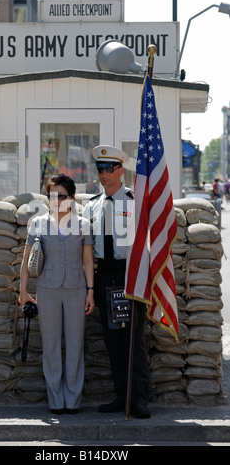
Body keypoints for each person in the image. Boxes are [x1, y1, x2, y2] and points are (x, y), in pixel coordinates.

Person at [83, 145, 150, 419]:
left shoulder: (134, 202)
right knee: (112, 341)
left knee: (134, 339)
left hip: (129, 274)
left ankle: (138, 399)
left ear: (121, 170)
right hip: (104, 275)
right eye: (100, 169)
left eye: (109, 169)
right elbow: (87, 246)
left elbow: (145, 243)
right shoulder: (92, 205)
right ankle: (121, 396)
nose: (103, 175)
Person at [19, 174, 95, 415]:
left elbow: (87, 261)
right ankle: (55, 400)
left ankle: (73, 400)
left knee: (75, 346)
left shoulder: (83, 224)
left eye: (61, 196)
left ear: (71, 198)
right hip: (47, 291)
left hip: (76, 290)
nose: (56, 200)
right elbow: (26, 261)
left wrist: (90, 292)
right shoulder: (38, 223)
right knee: (50, 346)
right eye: (52, 196)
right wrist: (23, 292)